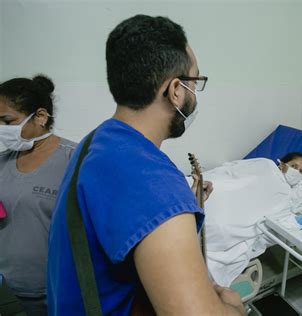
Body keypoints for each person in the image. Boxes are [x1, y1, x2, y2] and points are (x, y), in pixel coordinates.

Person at [47, 15, 245, 315]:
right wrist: (233, 308)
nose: (194, 94)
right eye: (195, 82)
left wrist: (178, 209)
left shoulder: (96, 142)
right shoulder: (156, 185)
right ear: (176, 90)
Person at [0, 75, 76, 315]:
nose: (2, 129)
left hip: (56, 292)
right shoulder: (2, 162)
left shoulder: (76, 159)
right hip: (7, 292)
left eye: (7, 121)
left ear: (40, 117)